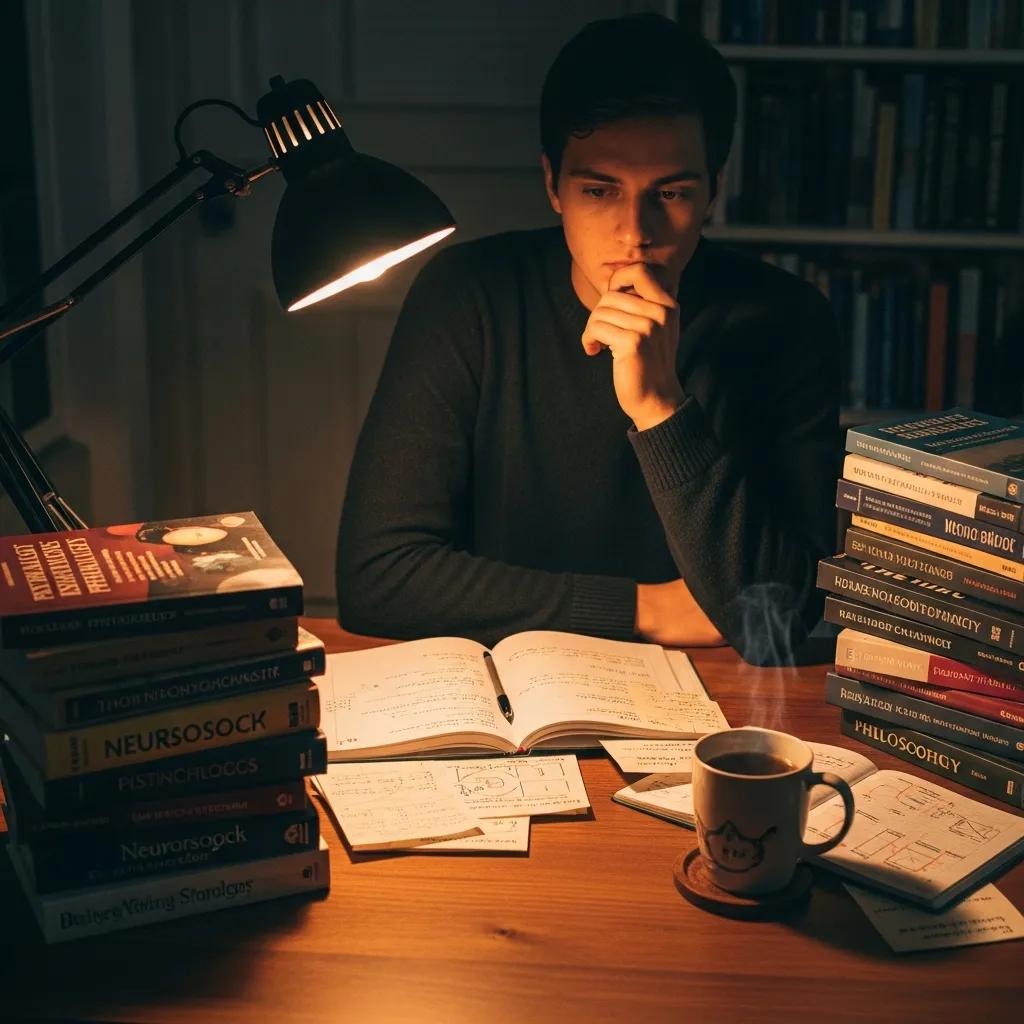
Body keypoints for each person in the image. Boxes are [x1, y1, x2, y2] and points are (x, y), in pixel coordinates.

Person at [336, 13, 840, 665]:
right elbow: (378, 578)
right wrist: (644, 608)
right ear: (552, 185)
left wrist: (662, 411)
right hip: (509, 689)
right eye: (600, 189)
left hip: (709, 695)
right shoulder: (469, 293)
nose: (635, 231)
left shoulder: (787, 318)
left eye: (672, 193)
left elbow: (780, 614)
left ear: (714, 189)